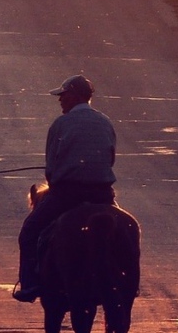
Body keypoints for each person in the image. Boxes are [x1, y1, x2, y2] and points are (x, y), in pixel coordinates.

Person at [12, 74, 117, 302]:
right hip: (103, 194)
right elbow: (110, 159)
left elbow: (51, 169)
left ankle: (30, 284)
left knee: (29, 231)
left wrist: (63, 173)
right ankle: (123, 282)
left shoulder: (61, 124)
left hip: (67, 195)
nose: (60, 100)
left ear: (75, 96)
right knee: (123, 229)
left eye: (63, 96)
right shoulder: (105, 122)